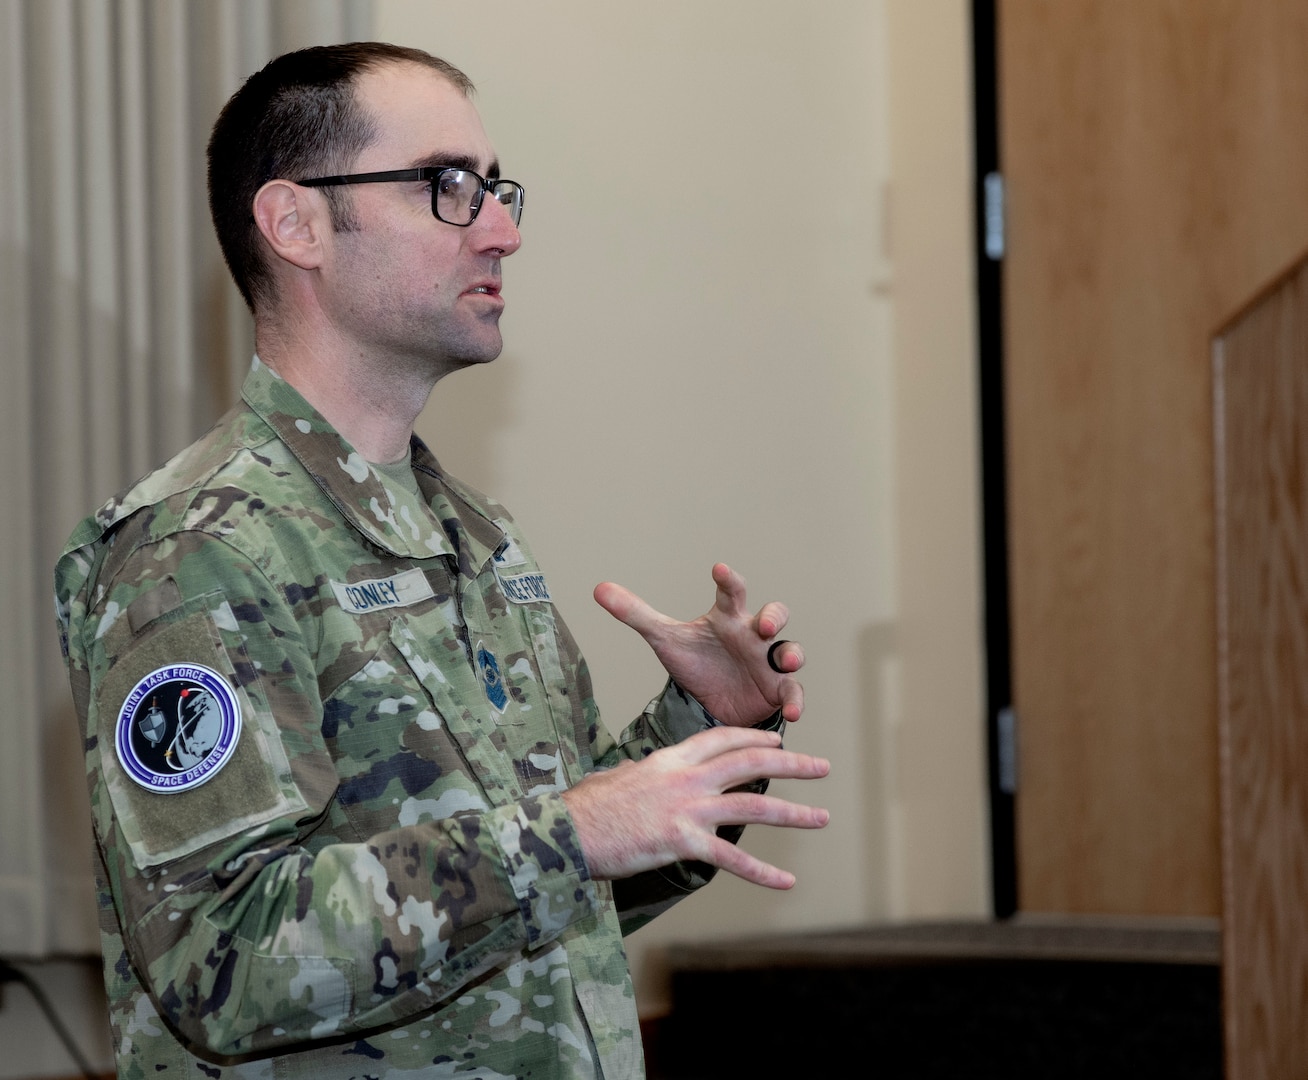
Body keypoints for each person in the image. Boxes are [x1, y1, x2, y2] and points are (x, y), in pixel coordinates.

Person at [53, 41, 830, 1079]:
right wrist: (571, 832)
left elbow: (556, 902)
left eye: (496, 188)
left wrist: (699, 731)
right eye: (446, 186)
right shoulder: (198, 552)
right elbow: (219, 966)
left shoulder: (474, 535)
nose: (502, 231)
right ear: (295, 224)